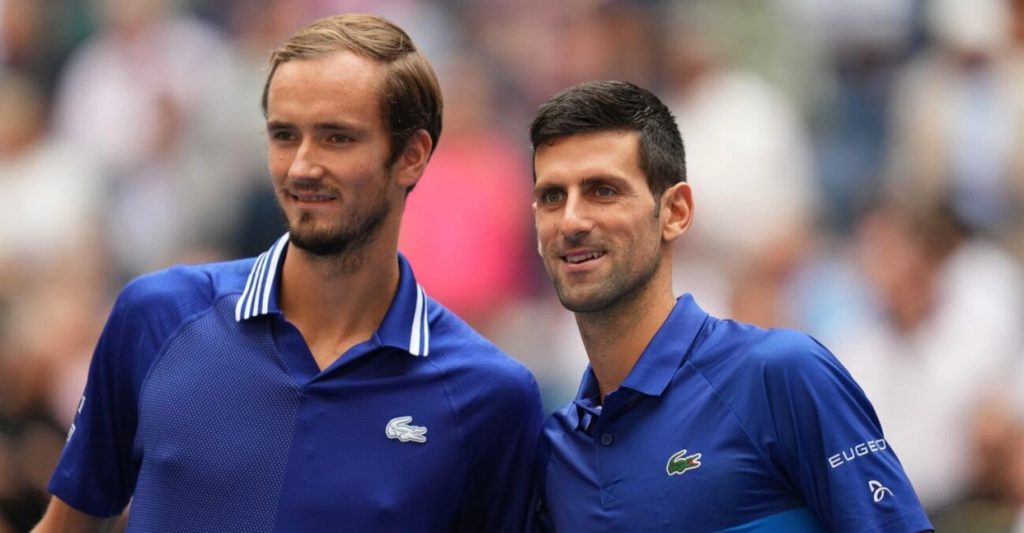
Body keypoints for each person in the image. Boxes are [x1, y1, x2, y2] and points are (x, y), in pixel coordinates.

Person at [34, 13, 544, 532]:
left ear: (411, 156)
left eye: (336, 138)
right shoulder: (156, 317)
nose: (301, 166)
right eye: (284, 135)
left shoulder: (490, 396)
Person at [526, 80, 932, 532]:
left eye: (603, 190)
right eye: (552, 197)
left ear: (676, 211)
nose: (572, 221)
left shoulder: (781, 374)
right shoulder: (555, 451)